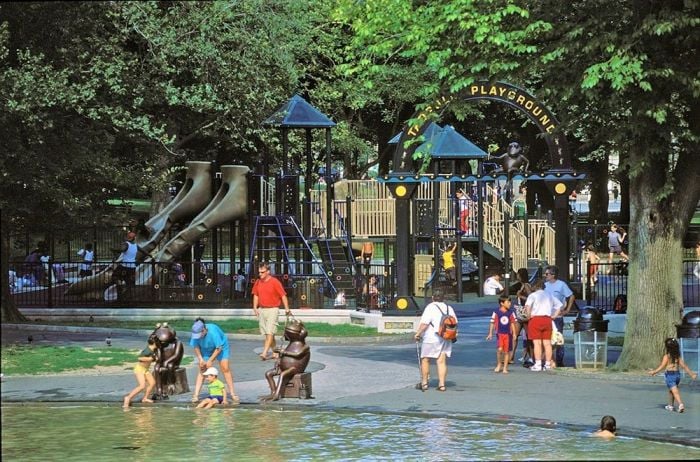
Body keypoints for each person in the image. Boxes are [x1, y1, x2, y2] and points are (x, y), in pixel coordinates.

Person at [414, 288, 456, 391]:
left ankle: (424, 383)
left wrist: (418, 333)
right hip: (446, 337)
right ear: (443, 298)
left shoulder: (430, 307)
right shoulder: (448, 308)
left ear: (433, 298)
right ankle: (442, 385)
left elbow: (425, 323)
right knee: (441, 361)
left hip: (431, 337)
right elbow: (455, 323)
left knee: (425, 359)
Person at [189, 318, 239, 404]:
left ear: (204, 330)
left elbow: (218, 348)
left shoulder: (213, 332)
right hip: (206, 348)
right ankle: (196, 395)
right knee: (202, 369)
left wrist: (210, 360)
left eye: (200, 335)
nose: (198, 337)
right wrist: (201, 359)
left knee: (225, 368)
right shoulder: (195, 333)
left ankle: (232, 393)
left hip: (221, 347)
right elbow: (196, 346)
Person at [252, 262, 291, 361]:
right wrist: (255, 307)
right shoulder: (258, 282)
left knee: (270, 331)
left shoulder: (275, 282)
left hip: (273, 309)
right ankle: (275, 351)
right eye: (259, 272)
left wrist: (287, 309)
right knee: (268, 333)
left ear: (268, 272)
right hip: (262, 309)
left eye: (262, 272)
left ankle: (264, 353)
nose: (260, 274)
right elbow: (256, 295)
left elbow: (283, 295)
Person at [648, 338, 697, 413]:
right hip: (677, 375)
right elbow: (684, 366)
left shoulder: (667, 356)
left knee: (675, 391)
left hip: (670, 376)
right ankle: (670, 405)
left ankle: (680, 404)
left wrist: (654, 371)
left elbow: (662, 366)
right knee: (671, 391)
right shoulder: (677, 357)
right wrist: (691, 374)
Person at [524, 278, 563, 371]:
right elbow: (559, 306)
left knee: (537, 343)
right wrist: (554, 315)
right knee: (547, 343)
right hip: (547, 319)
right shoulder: (549, 295)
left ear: (535, 286)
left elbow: (527, 307)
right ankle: (548, 364)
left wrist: (528, 316)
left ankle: (538, 364)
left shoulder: (532, 295)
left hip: (535, 319)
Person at [543, 265, 575, 367]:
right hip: (546, 315)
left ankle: (560, 360)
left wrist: (567, 310)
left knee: (558, 338)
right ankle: (550, 360)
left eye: (547, 274)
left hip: (558, 316)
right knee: (547, 338)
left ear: (553, 275)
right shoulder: (545, 285)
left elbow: (571, 296)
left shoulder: (561, 285)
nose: (545, 275)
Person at [486, 295, 517, 374]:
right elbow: (492, 323)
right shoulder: (496, 312)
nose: (510, 303)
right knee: (500, 349)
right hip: (499, 334)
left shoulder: (511, 313)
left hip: (508, 334)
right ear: (502, 303)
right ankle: (499, 364)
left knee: (506, 351)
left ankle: (505, 367)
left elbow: (513, 323)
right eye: (508, 302)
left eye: (510, 302)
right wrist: (490, 333)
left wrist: (514, 334)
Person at [123, 338, 157, 407]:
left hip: (145, 369)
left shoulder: (153, 350)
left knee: (152, 383)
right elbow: (140, 358)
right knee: (142, 386)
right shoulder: (147, 351)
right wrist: (150, 359)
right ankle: (128, 398)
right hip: (139, 369)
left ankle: (145, 398)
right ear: (154, 343)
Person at [510, 268, 533, 364]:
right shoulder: (522, 285)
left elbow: (531, 298)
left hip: (525, 313)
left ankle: (532, 356)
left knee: (529, 336)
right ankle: (511, 356)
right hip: (520, 313)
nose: (517, 276)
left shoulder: (527, 285)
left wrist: (520, 296)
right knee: (514, 334)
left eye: (518, 274)